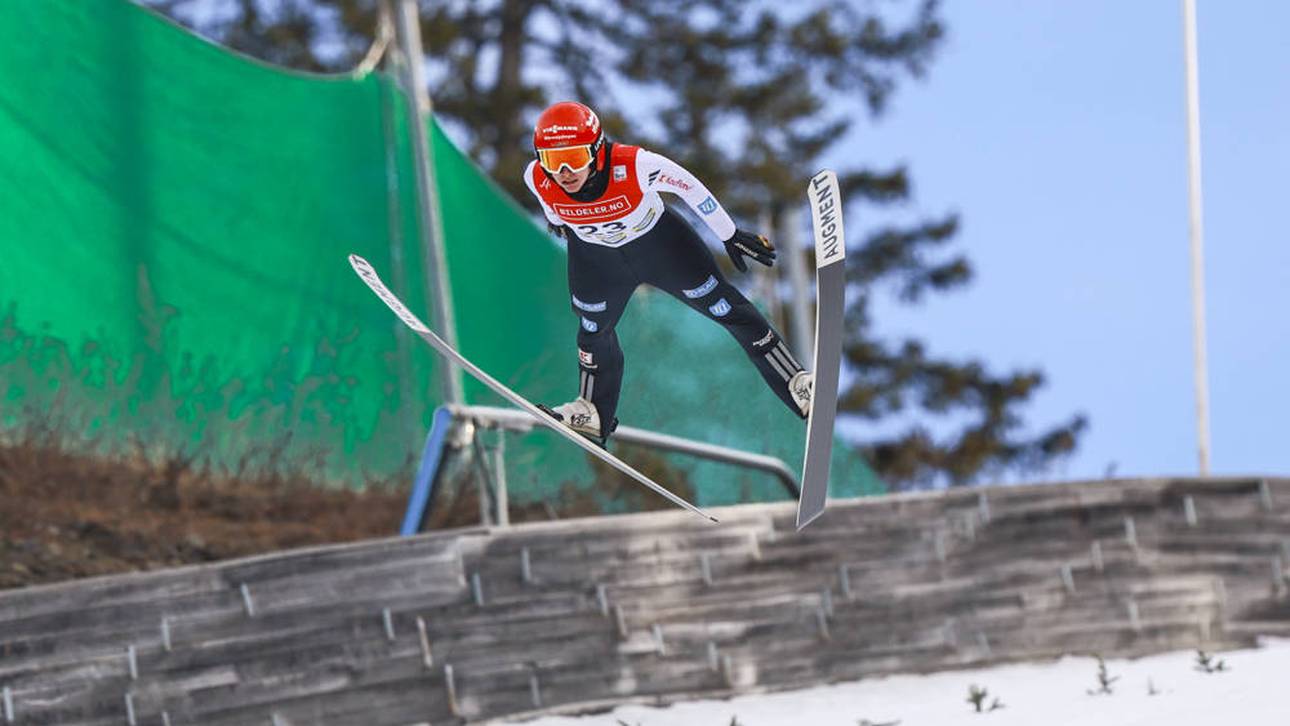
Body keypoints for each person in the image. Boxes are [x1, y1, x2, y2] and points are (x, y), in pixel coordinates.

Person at [523, 100, 812, 445]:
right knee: (592, 331)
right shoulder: (537, 177)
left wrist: (729, 234)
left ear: (598, 152)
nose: (564, 172)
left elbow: (689, 187)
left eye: (575, 158)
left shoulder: (635, 164)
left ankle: (796, 383)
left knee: (727, 308)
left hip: (661, 249)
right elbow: (552, 211)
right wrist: (559, 222)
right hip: (598, 261)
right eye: (553, 161)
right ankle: (593, 411)